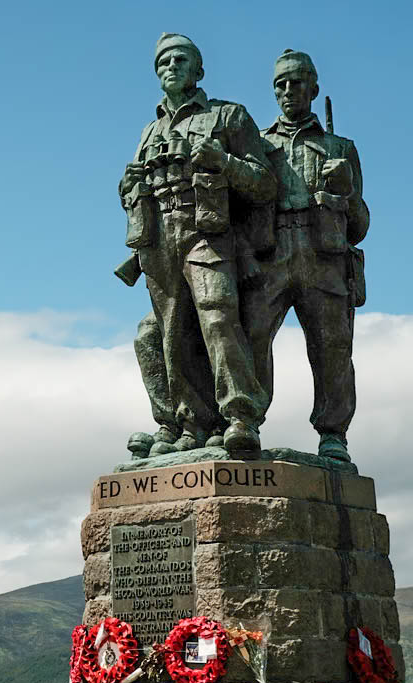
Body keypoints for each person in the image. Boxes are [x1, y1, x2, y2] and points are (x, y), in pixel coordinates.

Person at [119, 34, 276, 455]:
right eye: (163, 62)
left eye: (180, 58)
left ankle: (240, 417)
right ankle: (191, 423)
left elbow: (264, 184)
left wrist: (222, 161)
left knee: (218, 316)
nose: (170, 66)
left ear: (198, 70)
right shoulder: (149, 131)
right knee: (172, 333)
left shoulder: (227, 116)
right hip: (159, 240)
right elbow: (133, 190)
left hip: (207, 230)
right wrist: (128, 185)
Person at [243, 50, 369, 462]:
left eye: (296, 82)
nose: (287, 90)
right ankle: (246, 422)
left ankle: (333, 435)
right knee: (252, 337)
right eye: (279, 83)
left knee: (332, 346)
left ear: (313, 88)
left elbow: (361, 226)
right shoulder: (257, 144)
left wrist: (346, 190)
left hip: (324, 255)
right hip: (272, 251)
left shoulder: (341, 147)